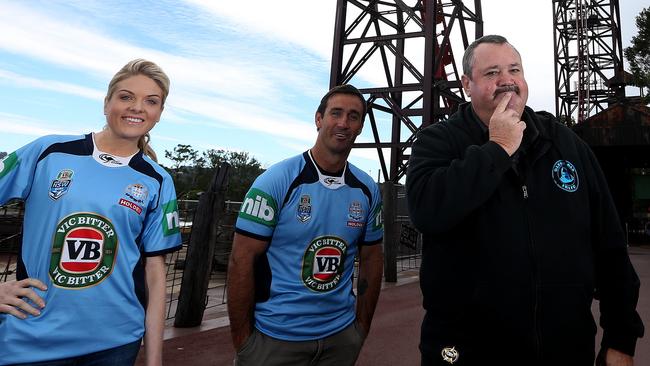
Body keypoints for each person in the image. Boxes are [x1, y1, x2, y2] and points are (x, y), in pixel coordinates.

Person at [406, 35, 644, 366]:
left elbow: (610, 244)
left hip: (565, 348)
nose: (506, 80)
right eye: (491, 73)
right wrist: (497, 149)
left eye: (514, 69)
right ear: (467, 85)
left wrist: (622, 337)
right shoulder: (438, 141)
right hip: (466, 351)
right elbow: (426, 210)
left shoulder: (565, 143)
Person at [0, 59, 182, 365]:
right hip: (31, 338)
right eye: (126, 97)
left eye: (151, 101)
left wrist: (154, 361)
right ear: (106, 102)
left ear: (159, 113)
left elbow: (154, 276)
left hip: (116, 343)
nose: (137, 107)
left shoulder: (158, 181)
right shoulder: (48, 152)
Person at [227, 84, 384, 366]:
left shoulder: (367, 189)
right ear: (318, 119)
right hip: (274, 338)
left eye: (353, 116)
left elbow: (372, 260)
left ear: (361, 126)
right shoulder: (276, 181)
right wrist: (244, 344)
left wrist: (360, 329)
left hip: (340, 338)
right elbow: (241, 260)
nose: (343, 123)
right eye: (336, 113)